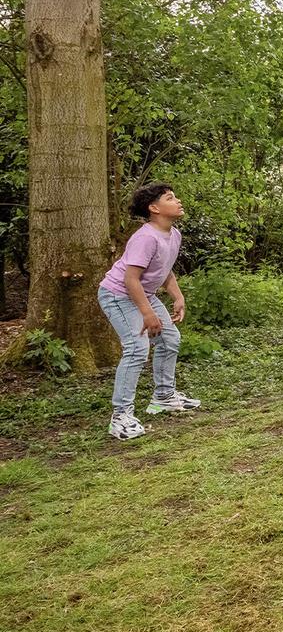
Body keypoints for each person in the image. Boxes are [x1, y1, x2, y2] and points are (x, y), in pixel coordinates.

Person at [99, 183, 196, 441]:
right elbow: (130, 279)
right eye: (170, 198)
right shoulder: (145, 238)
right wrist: (147, 313)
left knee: (170, 339)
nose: (178, 201)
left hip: (143, 294)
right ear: (154, 208)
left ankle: (163, 397)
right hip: (118, 295)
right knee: (136, 348)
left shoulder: (173, 234)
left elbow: (165, 269)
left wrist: (178, 296)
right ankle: (120, 417)